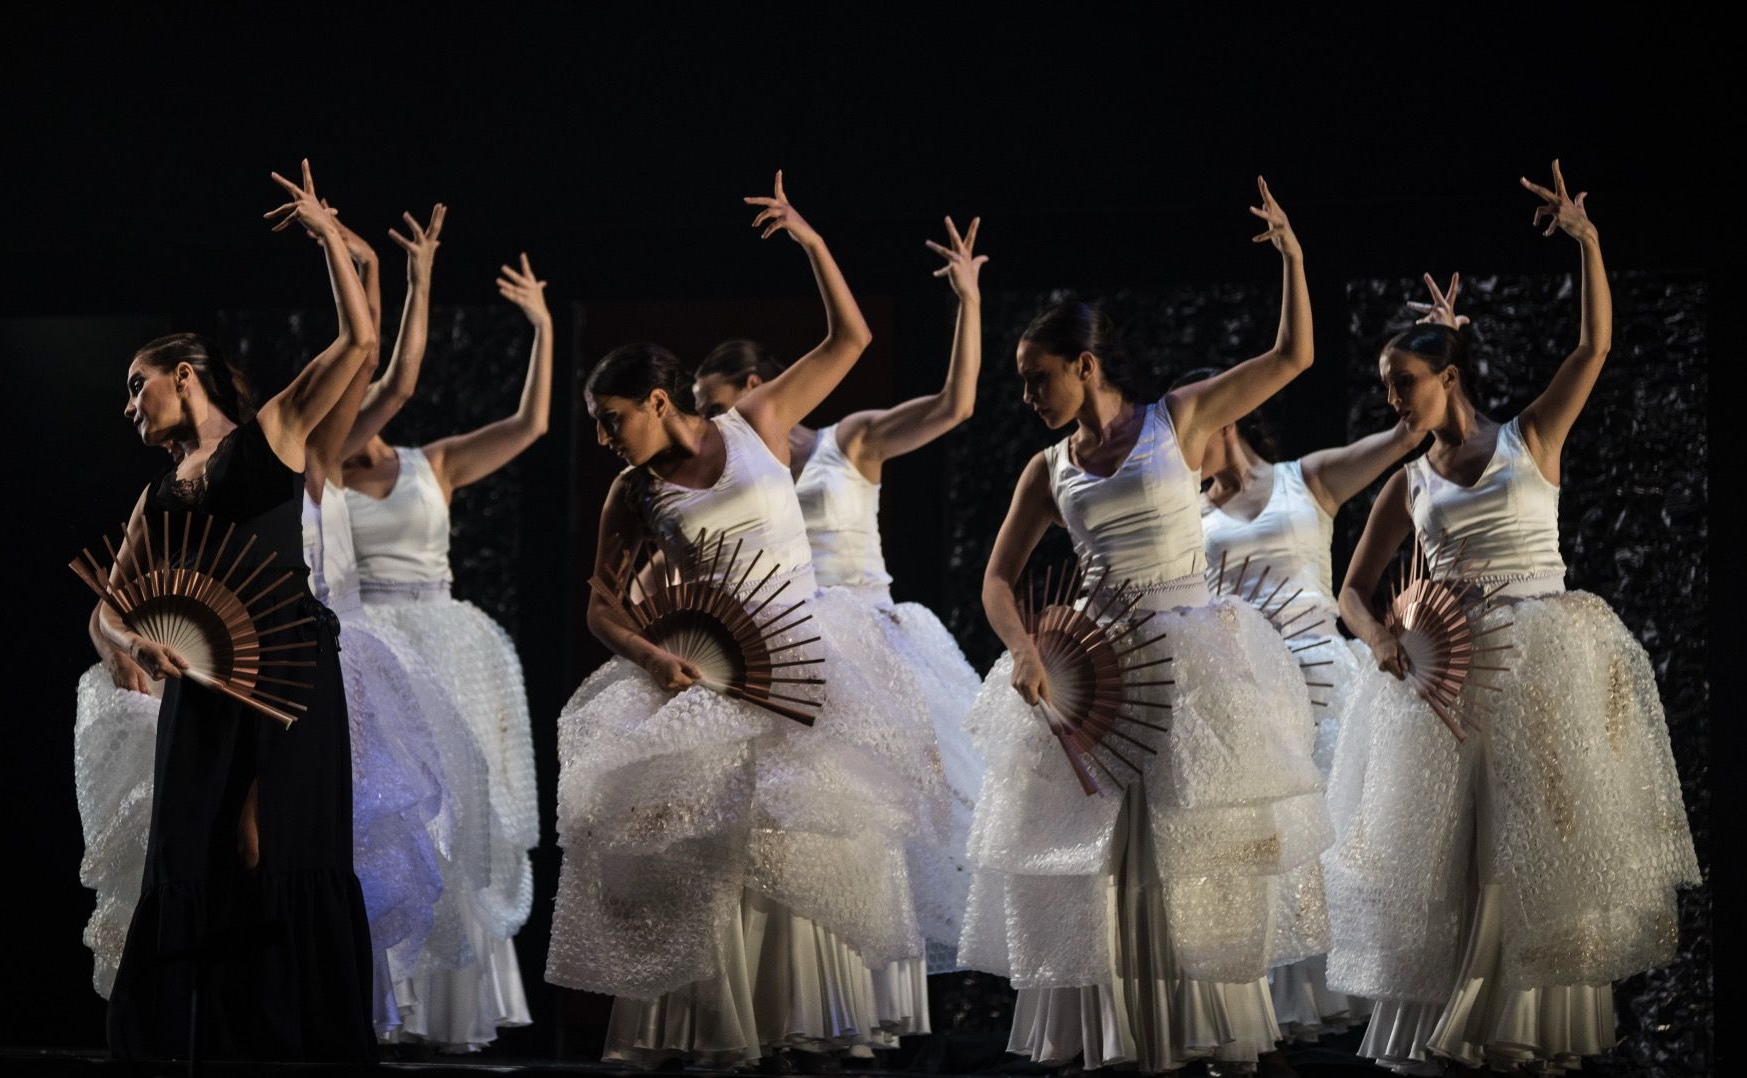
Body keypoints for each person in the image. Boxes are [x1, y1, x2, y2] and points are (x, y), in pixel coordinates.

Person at [549, 172, 938, 1068]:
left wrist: (810, 240)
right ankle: (715, 1034)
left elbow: (852, 337)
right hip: (706, 675)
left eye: (614, 421)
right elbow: (600, 605)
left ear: (658, 400)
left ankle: (800, 1024)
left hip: (800, 653)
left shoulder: (756, 422)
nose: (608, 440)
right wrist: (650, 657)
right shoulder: (631, 489)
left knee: (800, 842)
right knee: (711, 854)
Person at [1327, 162, 1699, 1075]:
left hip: (1539, 654)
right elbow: (1351, 588)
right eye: (1386, 387)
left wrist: (1589, 243)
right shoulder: (1407, 482)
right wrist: (1378, 638)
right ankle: (1457, 1018)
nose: (1393, 401)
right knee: (1450, 854)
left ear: (1446, 377)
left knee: (1538, 842)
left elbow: (1594, 350)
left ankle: (1524, 1023)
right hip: (1445, 673)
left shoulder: (1529, 439)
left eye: (1403, 383)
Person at [961, 179, 1328, 1076]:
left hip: (1189, 649)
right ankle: (1121, 1038)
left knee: (1187, 848)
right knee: (1101, 861)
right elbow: (998, 577)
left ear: (1085, 365)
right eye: (1020, 383)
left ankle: (1194, 1027)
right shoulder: (1049, 470)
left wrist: (1292, 255)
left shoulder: (1180, 417)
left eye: (1036, 378)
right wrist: (1022, 649)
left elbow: (1293, 356)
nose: (1027, 396)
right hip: (1094, 664)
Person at [96, 160, 379, 1062]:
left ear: (185, 378)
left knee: (271, 855)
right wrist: (134, 641)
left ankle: (292, 1044)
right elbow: (109, 610)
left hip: (284, 681)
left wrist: (330, 238)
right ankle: (196, 1044)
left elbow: (359, 344)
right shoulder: (156, 495)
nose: (128, 405)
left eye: (137, 385)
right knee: (190, 858)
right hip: (199, 696)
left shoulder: (272, 440)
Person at [691, 215, 989, 972]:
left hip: (870, 639)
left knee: (881, 818)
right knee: (798, 823)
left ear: (758, 389)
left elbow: (954, 407)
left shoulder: (845, 442)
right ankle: (803, 988)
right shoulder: (731, 475)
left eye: (715, 402)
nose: (707, 421)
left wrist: (968, 302)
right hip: (784, 651)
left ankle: (873, 999)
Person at [338, 206, 550, 1050]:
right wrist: (408, 281)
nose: (364, 397)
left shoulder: (436, 463)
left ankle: (452, 1008)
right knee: (393, 820)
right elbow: (398, 373)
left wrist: (538, 328)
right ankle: (389, 1003)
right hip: (371, 647)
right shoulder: (320, 466)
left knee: (461, 815)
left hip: (448, 642)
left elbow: (532, 426)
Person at [1178, 335, 1428, 1042]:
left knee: (1338, 836)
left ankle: (1350, 994)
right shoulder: (1185, 513)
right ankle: (1270, 1019)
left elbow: (1405, 437)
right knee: (1264, 844)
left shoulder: (1304, 481)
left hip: (1320, 677)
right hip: (1241, 694)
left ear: (1225, 417)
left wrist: (1438, 355)